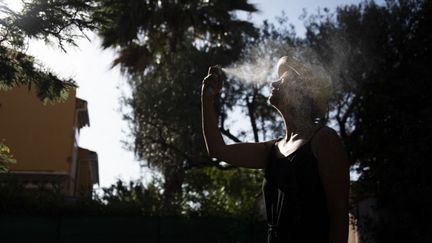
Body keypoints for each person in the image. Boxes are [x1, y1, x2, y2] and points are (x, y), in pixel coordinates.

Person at [201, 56, 349, 243]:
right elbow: (217, 150)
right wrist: (207, 98)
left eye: (283, 81)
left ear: (301, 94)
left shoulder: (325, 140)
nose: (273, 82)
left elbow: (339, 212)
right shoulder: (273, 149)